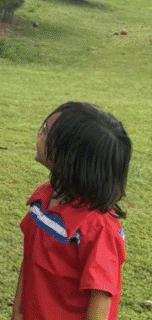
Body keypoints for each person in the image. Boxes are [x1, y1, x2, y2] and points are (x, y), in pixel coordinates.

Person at [12, 102, 130, 320]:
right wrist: (18, 313)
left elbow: (100, 297)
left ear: (70, 157)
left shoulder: (99, 227)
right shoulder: (43, 197)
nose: (39, 134)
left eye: (46, 133)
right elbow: (29, 262)